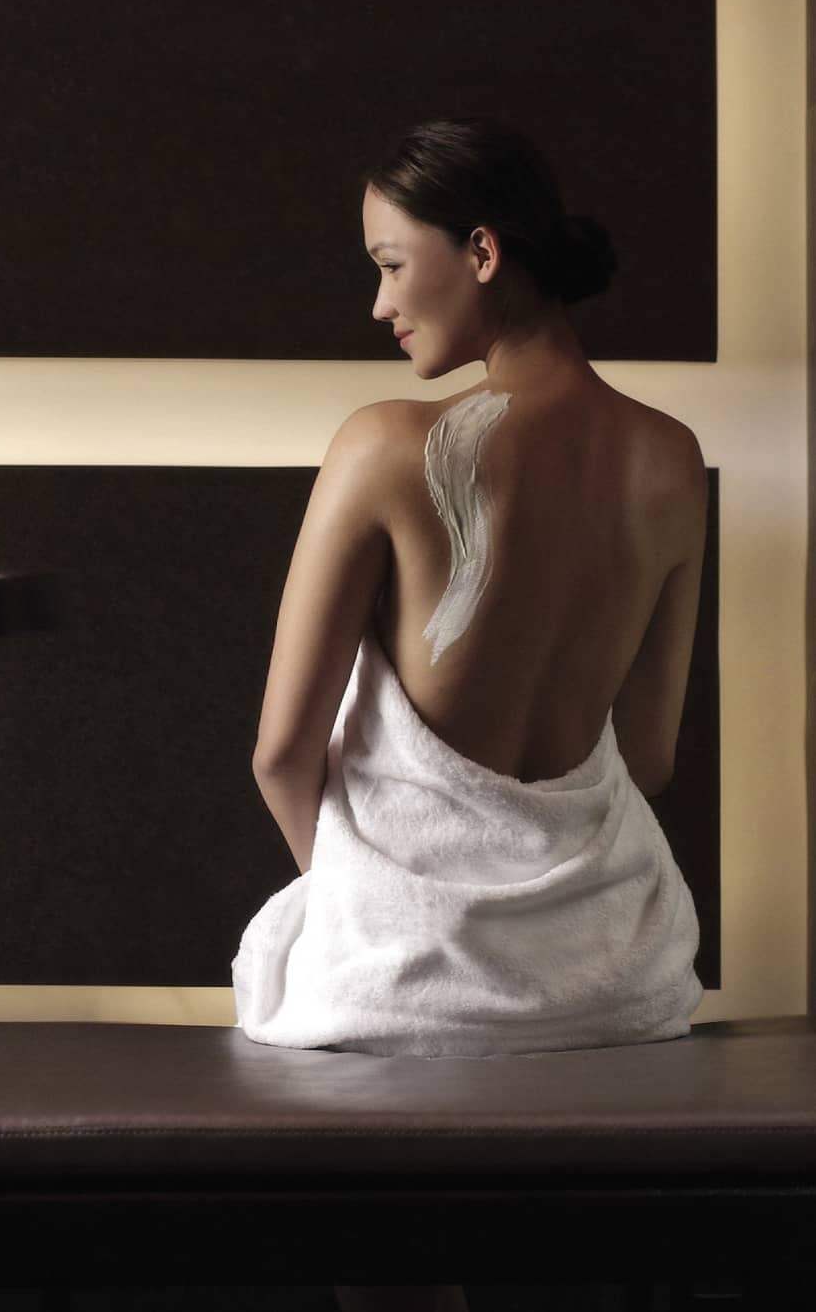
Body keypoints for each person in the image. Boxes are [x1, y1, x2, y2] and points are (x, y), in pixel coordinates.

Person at [230, 119, 706, 1312]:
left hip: (410, 988)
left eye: (393, 265)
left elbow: (281, 753)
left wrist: (375, 905)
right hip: (615, 985)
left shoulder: (387, 444)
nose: (379, 305)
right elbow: (649, 757)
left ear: (482, 252)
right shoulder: (671, 458)